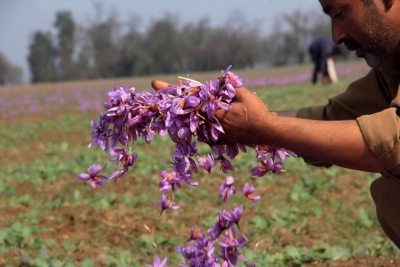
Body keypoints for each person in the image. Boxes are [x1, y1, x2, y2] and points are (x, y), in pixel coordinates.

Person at [152, 0, 400, 247]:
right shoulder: (391, 67)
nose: (336, 36)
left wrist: (264, 127)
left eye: (340, 13)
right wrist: (234, 119)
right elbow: (334, 120)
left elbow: (393, 139)